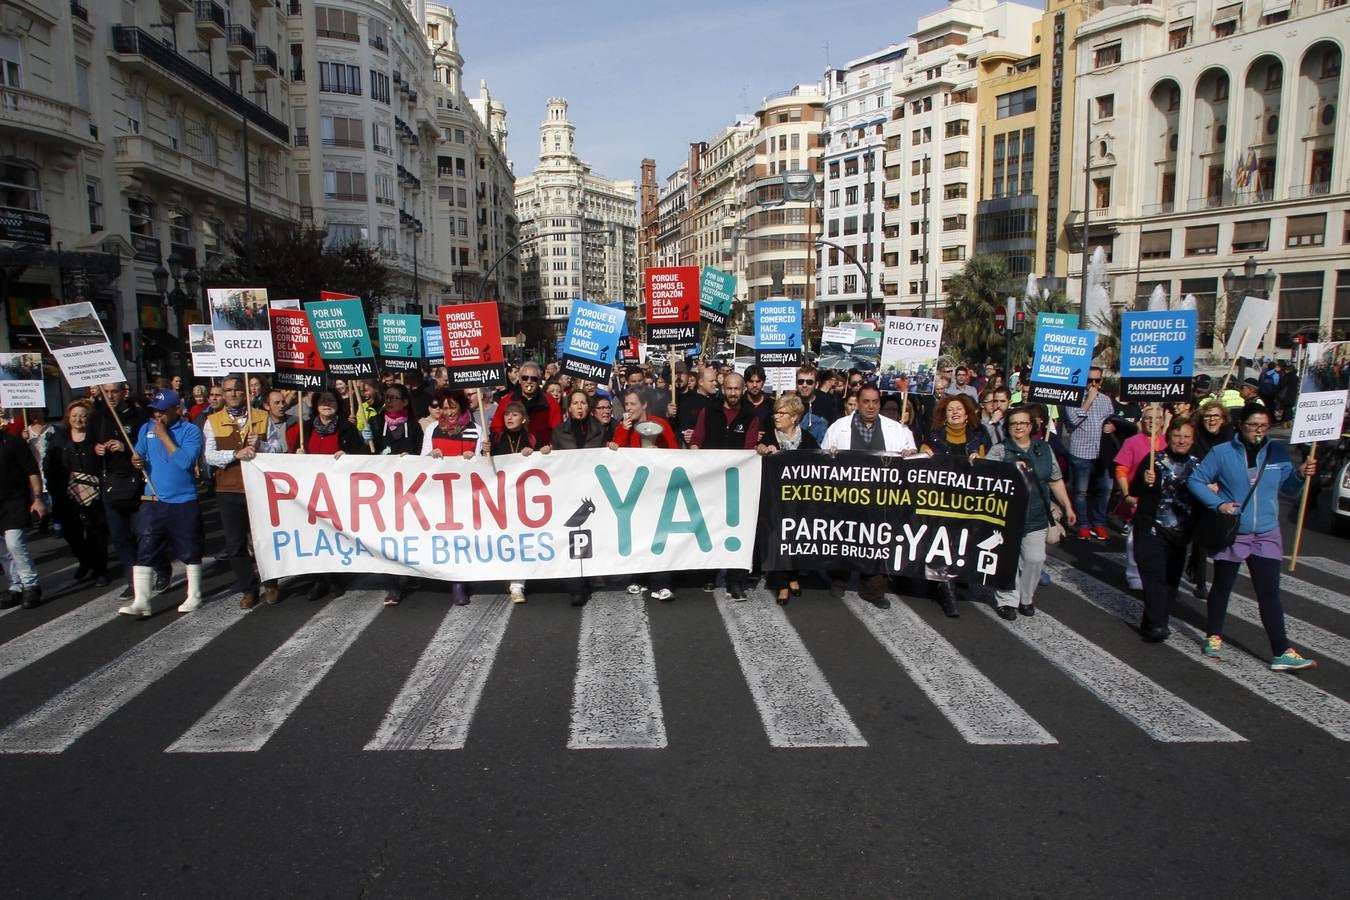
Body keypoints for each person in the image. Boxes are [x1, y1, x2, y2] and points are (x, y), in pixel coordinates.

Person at [1188, 403, 1317, 671]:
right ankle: (1213, 634)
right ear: (1240, 426)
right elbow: (1196, 481)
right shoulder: (1222, 453)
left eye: (1263, 425)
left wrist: (1301, 475)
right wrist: (1218, 504)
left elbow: (1290, 489)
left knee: (1269, 593)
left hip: (1267, 533)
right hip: (1234, 531)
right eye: (1252, 425)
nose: (1258, 431)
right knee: (1223, 585)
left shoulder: (1277, 451)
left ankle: (1281, 650)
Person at [822, 385, 917, 610]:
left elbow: (914, 460)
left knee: (877, 542)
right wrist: (831, 456)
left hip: (881, 499)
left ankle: (873, 590)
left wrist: (910, 454)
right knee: (843, 540)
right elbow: (823, 461)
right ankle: (839, 579)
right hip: (846, 497)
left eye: (875, 402)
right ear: (858, 402)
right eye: (866, 401)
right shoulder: (839, 428)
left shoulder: (898, 430)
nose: (871, 406)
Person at [117, 390, 205, 618]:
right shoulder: (146, 429)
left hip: (184, 499)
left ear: (176, 410)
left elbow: (186, 461)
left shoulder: (190, 431)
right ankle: (142, 600)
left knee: (189, 547)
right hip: (154, 497)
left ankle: (194, 593)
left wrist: (164, 436)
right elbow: (140, 456)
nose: (157, 415)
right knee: (145, 547)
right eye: (154, 411)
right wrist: (136, 459)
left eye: (162, 411)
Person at [986, 407, 1076, 619]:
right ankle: (1007, 600)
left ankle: (1026, 598)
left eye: (1023, 423)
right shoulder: (1000, 450)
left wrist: (1068, 505)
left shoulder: (1044, 449)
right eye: (1013, 423)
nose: (1018, 427)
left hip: (1036, 513)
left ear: (1031, 426)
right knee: (1007, 559)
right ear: (1007, 427)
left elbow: (1055, 479)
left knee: (1034, 558)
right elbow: (985, 478)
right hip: (1005, 515)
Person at [203, 376, 272, 608]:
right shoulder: (212, 421)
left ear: (246, 393)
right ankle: (248, 587)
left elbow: (278, 448)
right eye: (228, 390)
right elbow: (209, 456)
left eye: (237, 390)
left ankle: (271, 582)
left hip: (258, 488)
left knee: (264, 539)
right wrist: (235, 454)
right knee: (235, 543)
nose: (233, 394)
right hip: (228, 489)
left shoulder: (262, 417)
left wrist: (261, 445)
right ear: (222, 394)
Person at [918, 394, 990, 616]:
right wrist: (923, 455)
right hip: (939, 502)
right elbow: (920, 465)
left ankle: (949, 580)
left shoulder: (980, 438)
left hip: (969, 503)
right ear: (944, 415)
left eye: (959, 409)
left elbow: (992, 469)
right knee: (943, 544)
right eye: (950, 410)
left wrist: (981, 463)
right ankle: (948, 594)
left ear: (968, 414)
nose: (955, 412)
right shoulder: (933, 438)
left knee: (962, 544)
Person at [1129, 419, 1200, 641]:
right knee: (1154, 577)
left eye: (1187, 436)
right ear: (1168, 437)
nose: (1181, 440)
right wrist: (1144, 479)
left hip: (1180, 531)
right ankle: (1158, 625)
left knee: (1171, 581)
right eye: (1177, 435)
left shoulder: (1198, 465)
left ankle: (1152, 621)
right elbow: (1134, 490)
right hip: (1151, 527)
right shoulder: (1154, 460)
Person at [609, 388, 677, 600]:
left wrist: (661, 453)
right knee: (638, 535)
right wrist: (622, 431)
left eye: (632, 404)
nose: (628, 409)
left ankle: (661, 583)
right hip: (635, 490)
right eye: (626, 405)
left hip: (657, 489)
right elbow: (615, 453)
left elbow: (675, 452)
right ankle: (636, 578)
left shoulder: (661, 424)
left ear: (644, 405)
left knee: (659, 536)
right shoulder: (623, 427)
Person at [756, 394, 818, 604]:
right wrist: (762, 451)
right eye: (775, 412)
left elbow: (819, 464)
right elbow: (757, 455)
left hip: (799, 500)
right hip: (774, 500)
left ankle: (793, 575)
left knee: (796, 538)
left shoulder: (808, 439)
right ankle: (781, 584)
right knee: (777, 539)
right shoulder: (769, 439)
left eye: (782, 413)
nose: (776, 416)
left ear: (794, 417)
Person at [44, 399, 110, 586]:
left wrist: (102, 452)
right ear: (68, 418)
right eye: (74, 416)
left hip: (94, 491)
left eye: (82, 416)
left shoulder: (96, 437)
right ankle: (85, 560)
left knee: (96, 532)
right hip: (68, 493)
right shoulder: (59, 437)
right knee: (71, 532)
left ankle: (100, 570)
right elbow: (50, 463)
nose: (78, 419)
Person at [373, 383, 425, 607]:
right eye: (387, 397)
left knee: (409, 535)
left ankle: (412, 574)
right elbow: (363, 455)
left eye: (394, 398)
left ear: (404, 402)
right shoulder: (375, 423)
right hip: (382, 490)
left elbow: (422, 455)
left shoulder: (413, 426)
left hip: (408, 491)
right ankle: (393, 587)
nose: (389, 401)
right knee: (387, 537)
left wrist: (410, 457)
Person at [491, 401, 544, 605]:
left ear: (523, 419)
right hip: (501, 497)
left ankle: (517, 584)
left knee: (521, 539)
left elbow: (544, 463)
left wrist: (539, 452)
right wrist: (485, 452)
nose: (509, 418)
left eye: (514, 415)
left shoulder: (531, 438)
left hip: (525, 498)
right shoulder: (495, 439)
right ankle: (509, 575)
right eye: (507, 415)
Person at [1113, 405, 1166, 590]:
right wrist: (1127, 494)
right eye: (1148, 418)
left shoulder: (1169, 442)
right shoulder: (1133, 442)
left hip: (1162, 500)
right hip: (1137, 497)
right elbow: (1121, 469)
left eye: (1157, 418)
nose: (1152, 421)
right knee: (1134, 538)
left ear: (1163, 421)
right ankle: (1134, 573)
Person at [1060, 366, 1116, 541]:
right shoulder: (1073, 398)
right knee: (1080, 491)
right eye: (1090, 380)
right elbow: (1073, 420)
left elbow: (1111, 419)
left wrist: (1113, 426)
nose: (1093, 384)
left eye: (1097, 381)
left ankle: (1099, 522)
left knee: (1105, 489)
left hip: (1102, 452)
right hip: (1081, 451)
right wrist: (1088, 400)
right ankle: (1083, 524)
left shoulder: (1106, 400)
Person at [0, 415, 46, 609]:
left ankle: (31, 585)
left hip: (14, 501)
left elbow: (32, 471)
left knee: (14, 544)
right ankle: (15, 586)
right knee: (2, 550)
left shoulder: (13, 442)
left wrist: (37, 499)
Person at [490, 361, 560, 447]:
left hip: (542, 454)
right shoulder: (506, 401)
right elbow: (497, 429)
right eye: (525, 378)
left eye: (533, 379)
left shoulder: (550, 402)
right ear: (519, 380)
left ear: (539, 381)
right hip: (514, 452)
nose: (529, 381)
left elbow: (558, 431)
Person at [795, 365, 839, 445]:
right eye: (800, 381)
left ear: (816, 384)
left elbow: (834, 429)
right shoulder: (790, 404)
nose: (804, 385)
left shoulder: (827, 403)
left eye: (809, 382)